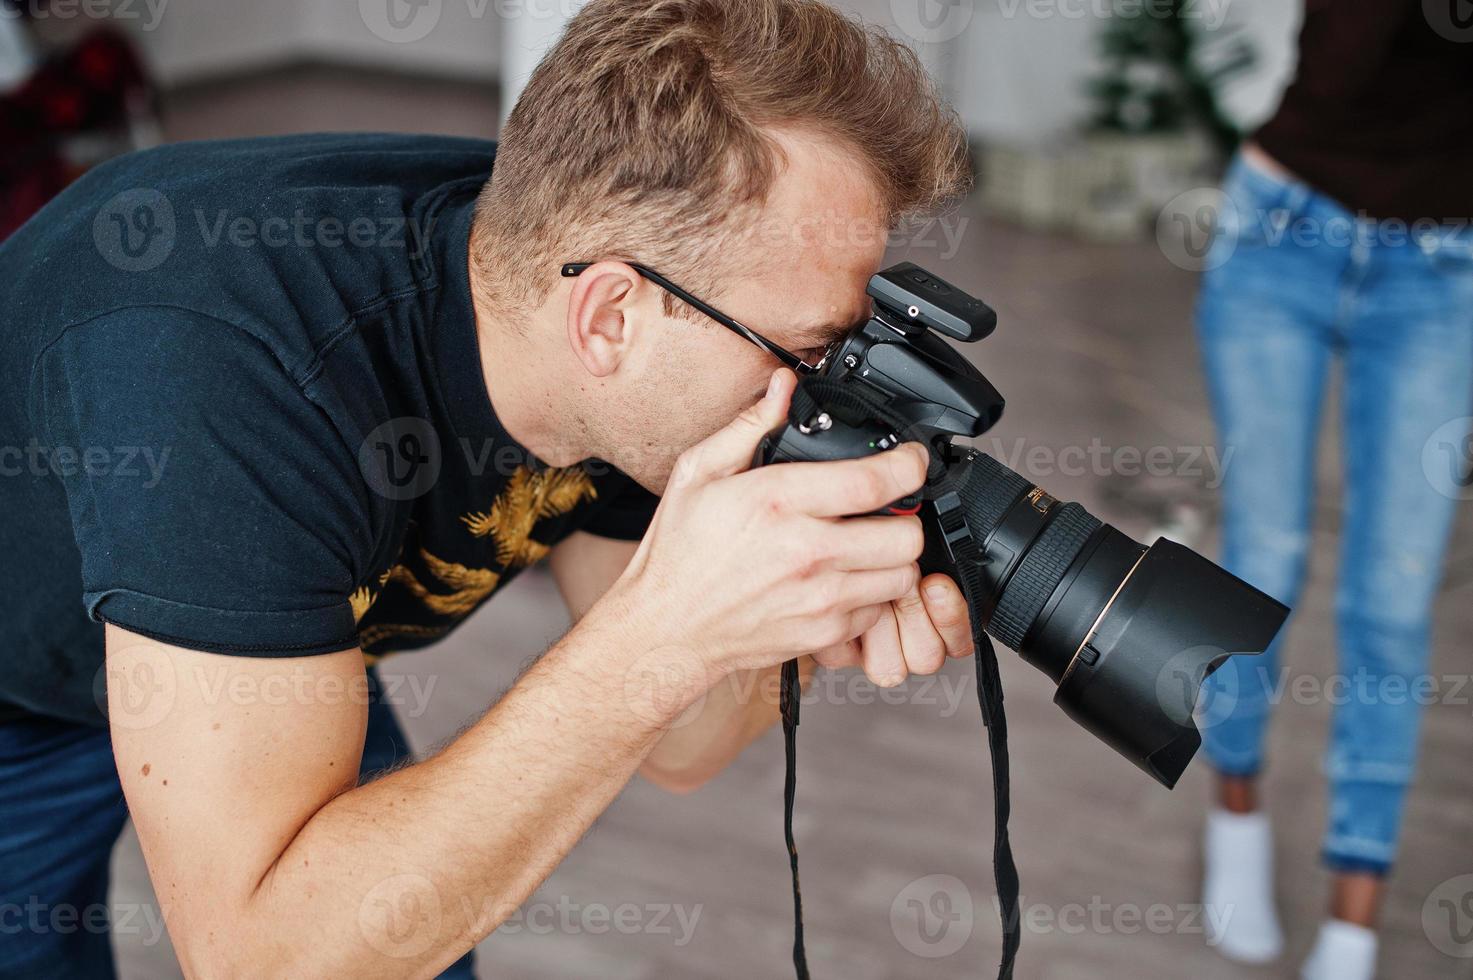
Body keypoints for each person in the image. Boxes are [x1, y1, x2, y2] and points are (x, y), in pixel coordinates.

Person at [0, 1, 981, 974]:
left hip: (268, 625)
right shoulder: (229, 370)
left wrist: (799, 603)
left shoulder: (617, 330)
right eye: (807, 349)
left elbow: (682, 734)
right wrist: (664, 623)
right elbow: (261, 954)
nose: (823, 396)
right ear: (610, 321)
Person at [1194, 3, 1473, 979]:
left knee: (1393, 603)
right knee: (1263, 563)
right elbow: (1343, 69)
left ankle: (1353, 925)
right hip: (1284, 231)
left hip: (1444, 271)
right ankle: (1236, 811)